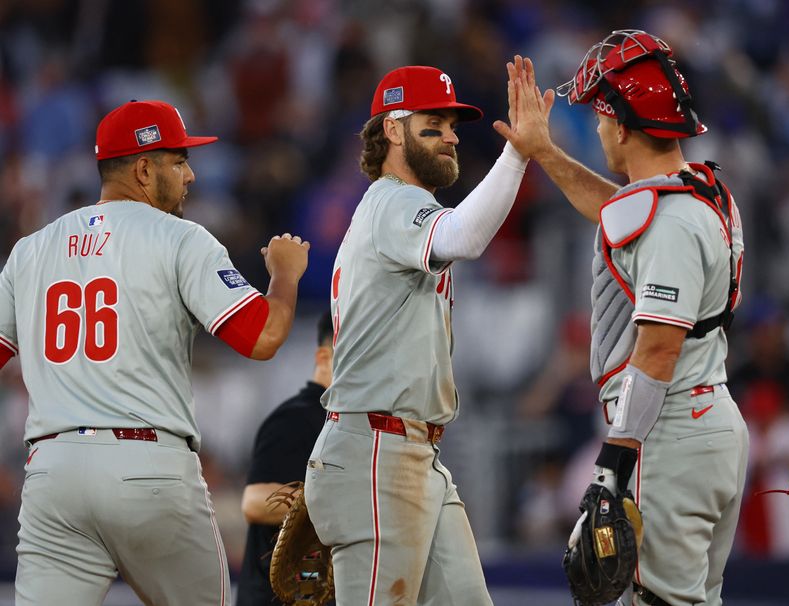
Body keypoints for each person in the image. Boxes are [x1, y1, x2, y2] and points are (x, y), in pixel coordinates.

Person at [3, 99, 310, 606]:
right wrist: (284, 274)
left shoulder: (30, 249)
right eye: (179, 160)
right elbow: (263, 338)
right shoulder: (180, 238)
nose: (189, 175)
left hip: (53, 471)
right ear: (144, 168)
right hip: (147, 467)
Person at [303, 61, 543, 605]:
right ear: (391, 129)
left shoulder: (404, 208)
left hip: (412, 453)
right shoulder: (392, 200)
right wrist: (518, 153)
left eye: (453, 126)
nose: (451, 137)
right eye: (432, 125)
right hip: (375, 452)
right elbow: (466, 235)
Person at [523, 31, 749, 605]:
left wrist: (612, 461)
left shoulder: (670, 223)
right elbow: (621, 214)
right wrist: (544, 152)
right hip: (705, 418)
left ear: (621, 126)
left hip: (668, 429)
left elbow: (656, 350)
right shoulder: (695, 194)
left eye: (600, 119)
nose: (598, 131)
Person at [236, 312, 333, 606]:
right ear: (324, 357)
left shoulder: (350, 426)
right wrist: (337, 508)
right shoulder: (297, 417)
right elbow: (254, 501)